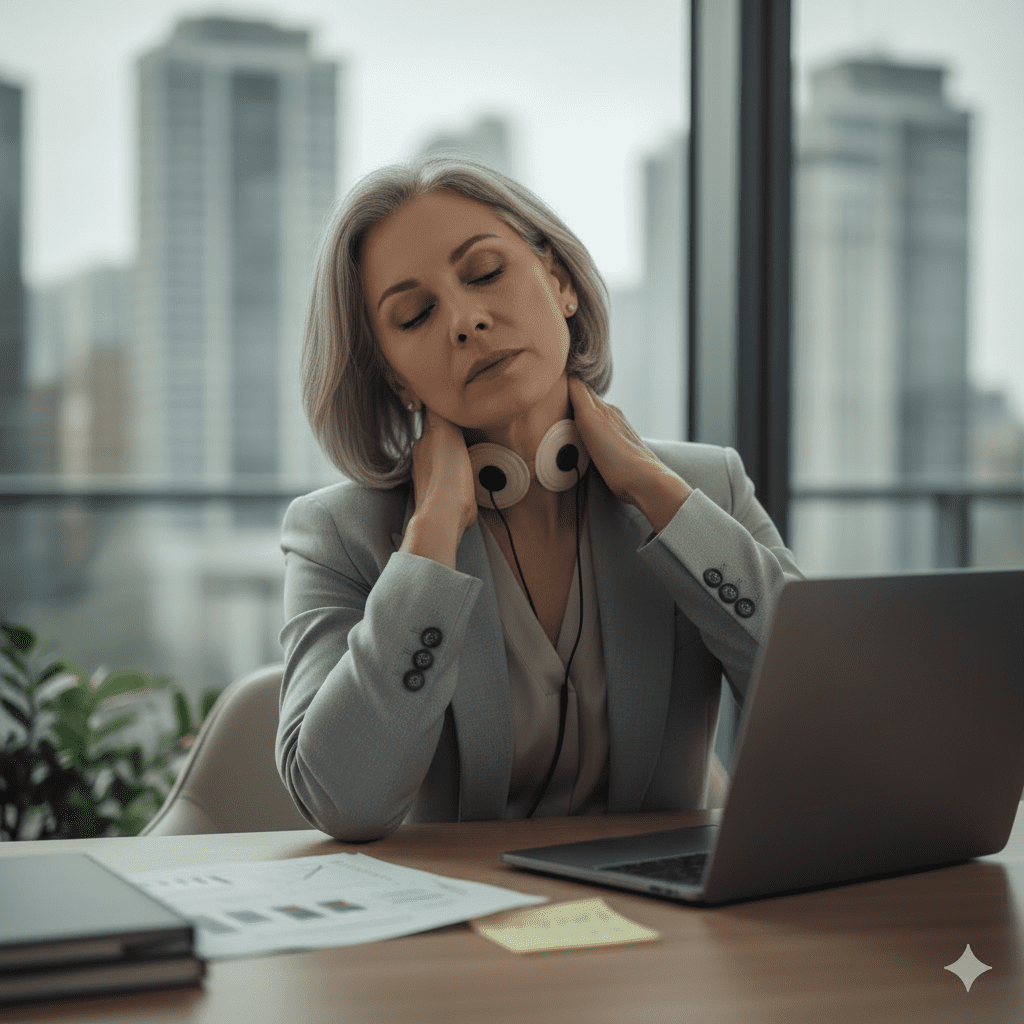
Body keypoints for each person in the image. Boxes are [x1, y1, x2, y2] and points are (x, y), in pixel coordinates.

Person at [276, 155, 803, 843]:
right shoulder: (339, 534)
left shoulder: (706, 489)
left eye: (485, 273)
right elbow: (342, 801)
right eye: (415, 315)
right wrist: (430, 537)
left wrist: (658, 496)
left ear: (559, 282)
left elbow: (825, 714)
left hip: (671, 925)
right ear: (396, 379)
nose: (465, 321)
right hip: (460, 934)